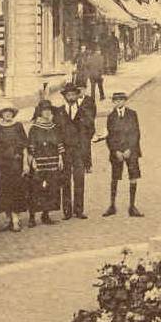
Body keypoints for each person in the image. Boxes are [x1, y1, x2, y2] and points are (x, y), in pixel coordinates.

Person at [56, 82, 96, 219]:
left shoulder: (84, 111)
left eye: (73, 94)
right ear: (65, 97)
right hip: (65, 151)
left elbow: (91, 128)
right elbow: (56, 132)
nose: (71, 97)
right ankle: (67, 211)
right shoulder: (59, 112)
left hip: (79, 150)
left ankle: (79, 210)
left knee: (79, 179)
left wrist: (84, 143)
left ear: (76, 96)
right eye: (68, 95)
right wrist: (60, 150)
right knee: (65, 180)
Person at [102, 92, 143, 218]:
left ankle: (132, 206)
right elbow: (109, 136)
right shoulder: (111, 117)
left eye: (121, 100)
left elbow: (136, 133)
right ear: (113, 102)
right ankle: (112, 205)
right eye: (116, 100)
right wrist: (116, 151)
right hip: (117, 152)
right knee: (115, 177)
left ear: (125, 101)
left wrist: (129, 149)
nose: (119, 102)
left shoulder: (132, 114)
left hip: (131, 151)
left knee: (133, 176)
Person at [27, 100, 64, 227]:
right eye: (44, 110)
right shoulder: (34, 128)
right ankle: (32, 217)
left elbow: (59, 143)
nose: (47, 112)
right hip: (39, 163)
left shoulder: (54, 127)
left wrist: (60, 158)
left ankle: (46, 214)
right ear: (39, 112)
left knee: (51, 188)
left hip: (53, 162)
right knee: (36, 189)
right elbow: (31, 146)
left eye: (49, 110)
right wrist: (32, 161)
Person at [0, 105, 28, 232]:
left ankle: (15, 219)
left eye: (10, 112)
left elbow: (25, 144)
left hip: (16, 163)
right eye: (5, 112)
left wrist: (25, 163)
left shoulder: (18, 126)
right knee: (4, 190)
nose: (8, 114)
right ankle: (8, 219)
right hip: (2, 164)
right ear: (1, 114)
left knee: (16, 189)